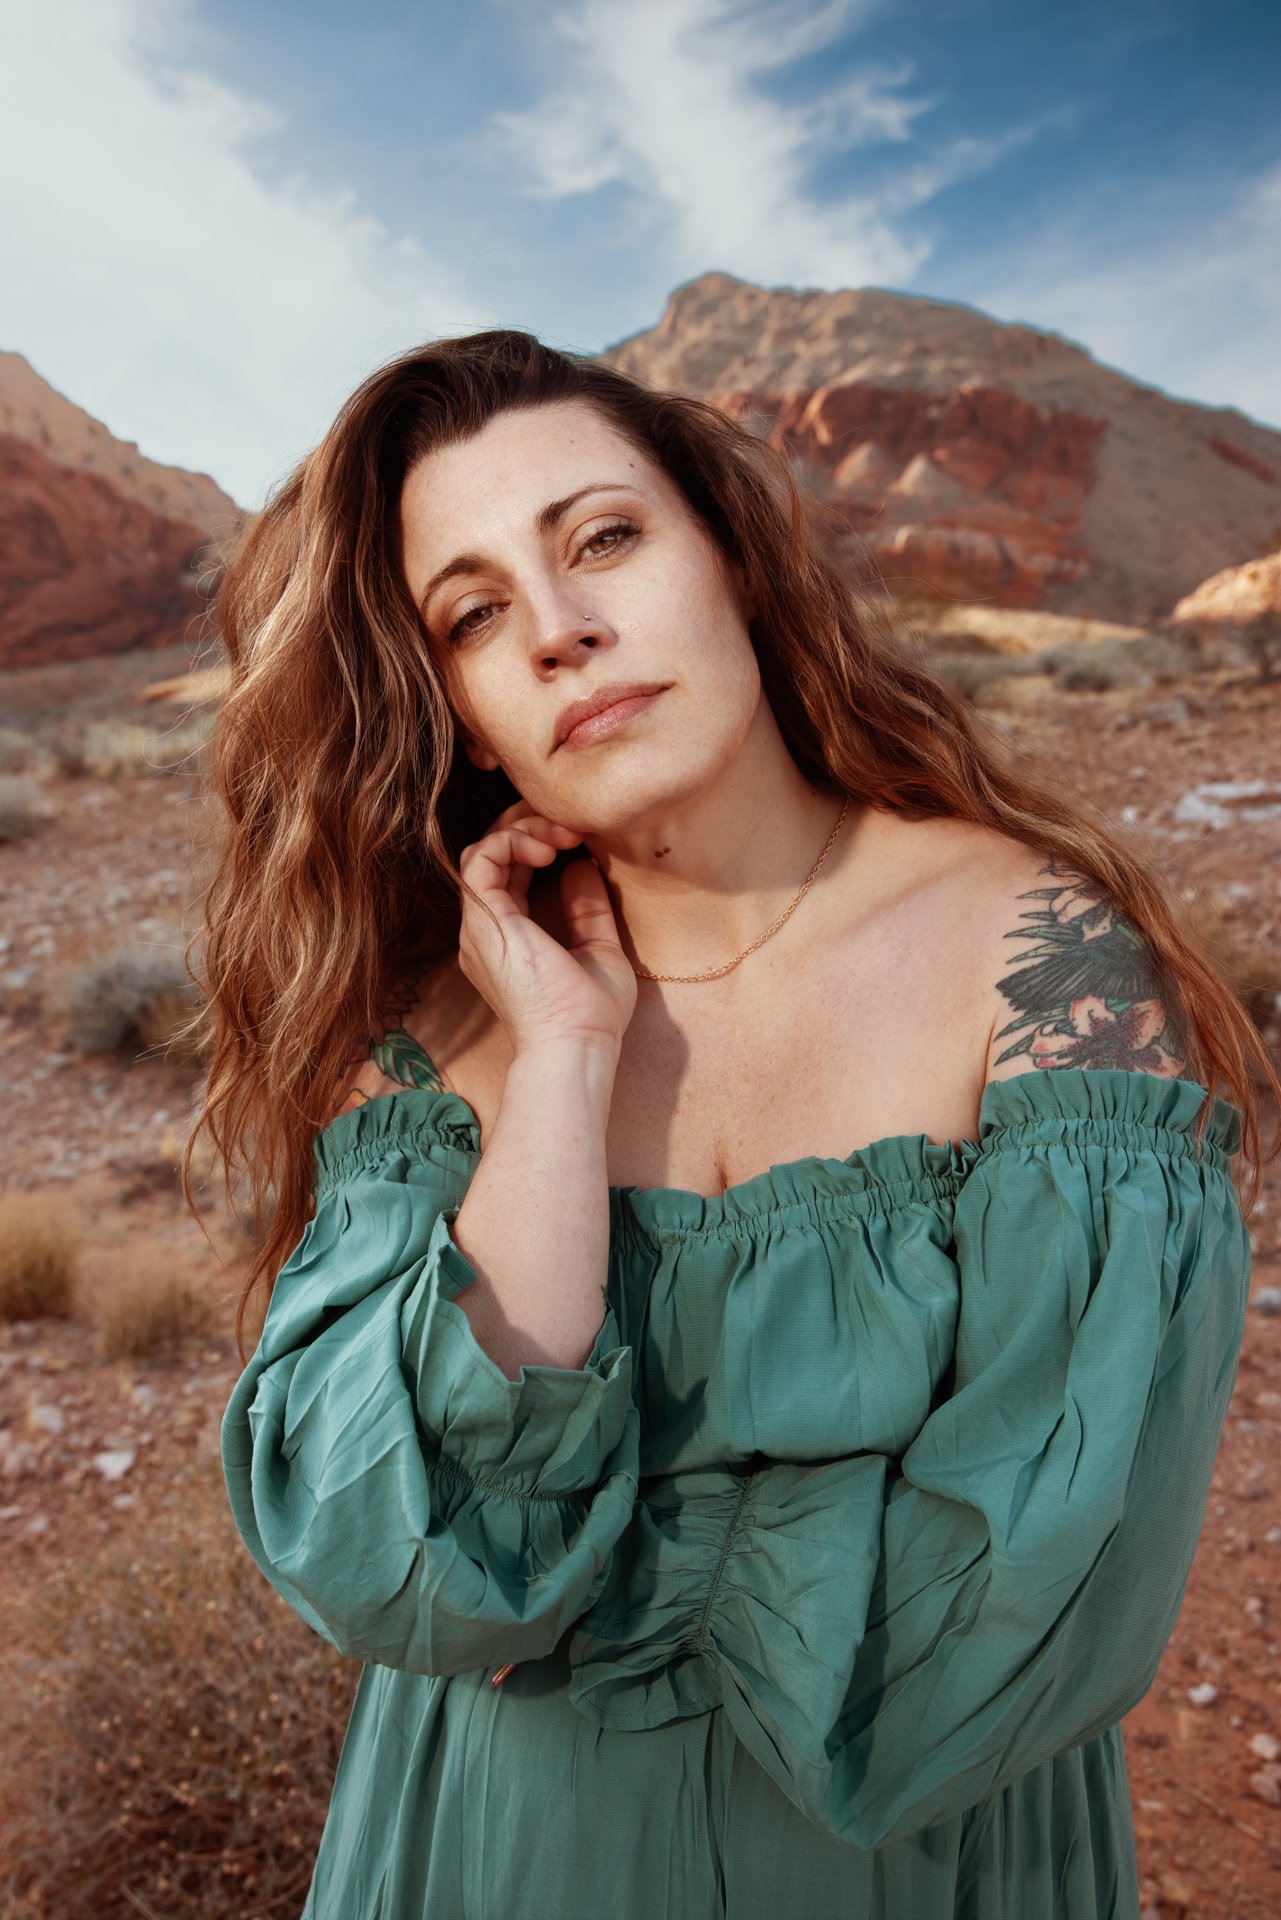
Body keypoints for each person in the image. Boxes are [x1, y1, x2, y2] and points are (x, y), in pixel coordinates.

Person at [198, 329, 1276, 1920]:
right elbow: (385, 1563)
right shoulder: (432, 1035)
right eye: (474, 614)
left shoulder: (1043, 967)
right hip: (487, 1859)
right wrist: (560, 1064)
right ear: (462, 714)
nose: (558, 631)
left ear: (734, 561)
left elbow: (1021, 1611)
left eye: (602, 540)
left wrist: (568, 1572)